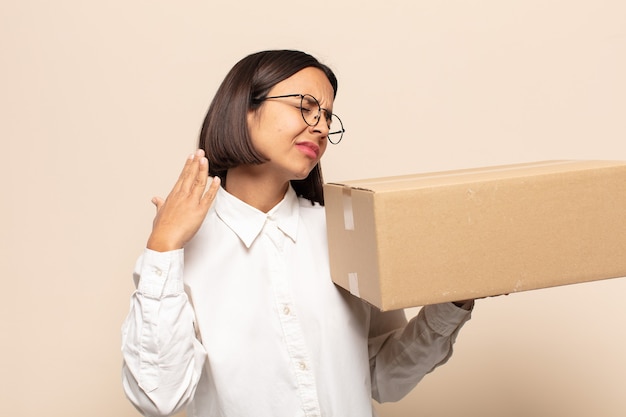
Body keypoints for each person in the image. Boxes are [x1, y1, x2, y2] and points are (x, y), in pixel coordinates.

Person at [121, 49, 474, 417]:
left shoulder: (348, 235)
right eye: (306, 106)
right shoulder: (177, 251)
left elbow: (384, 377)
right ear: (245, 107)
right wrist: (163, 247)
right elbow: (158, 397)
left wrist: (454, 303)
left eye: (327, 116)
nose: (321, 127)